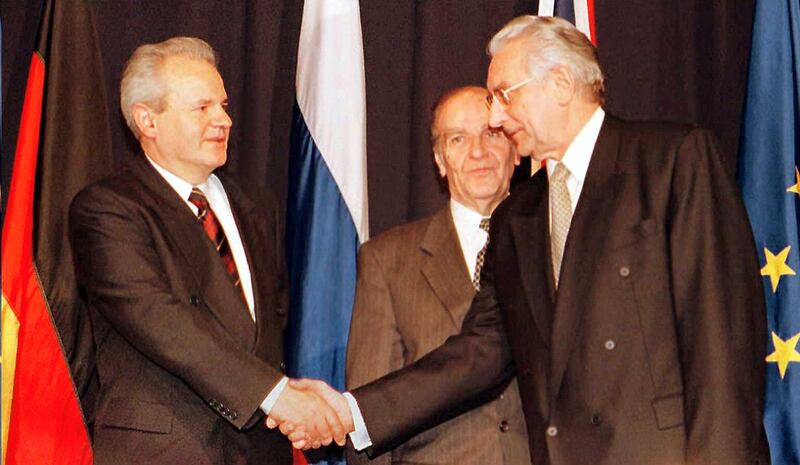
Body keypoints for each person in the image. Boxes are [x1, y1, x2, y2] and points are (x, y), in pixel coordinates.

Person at [286, 15, 771, 465]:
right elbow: (479, 352)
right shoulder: (520, 215)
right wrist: (353, 412)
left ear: (561, 84)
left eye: (503, 94)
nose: (496, 117)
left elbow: (721, 340)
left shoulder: (671, 161)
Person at [69, 37, 345, 465]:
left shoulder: (257, 205)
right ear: (148, 120)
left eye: (223, 105)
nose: (224, 120)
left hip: (261, 451)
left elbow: (270, 326)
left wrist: (287, 394)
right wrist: (277, 396)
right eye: (203, 108)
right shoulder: (107, 210)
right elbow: (161, 321)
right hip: (167, 451)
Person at [346, 86, 530, 465]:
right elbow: (369, 415)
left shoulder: (550, 242)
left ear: (516, 150)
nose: (478, 151)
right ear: (440, 159)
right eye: (459, 139)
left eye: (492, 134)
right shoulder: (387, 260)